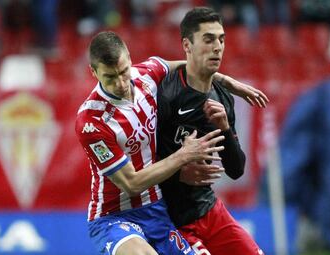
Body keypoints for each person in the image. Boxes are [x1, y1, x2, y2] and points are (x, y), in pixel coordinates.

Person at [75, 31, 264, 255]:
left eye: (124, 71)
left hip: (157, 211)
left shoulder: (146, 74)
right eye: (110, 77)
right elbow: (132, 183)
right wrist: (184, 155)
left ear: (130, 58)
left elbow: (187, 66)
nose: (120, 83)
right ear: (94, 72)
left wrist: (225, 80)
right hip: (114, 216)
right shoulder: (91, 121)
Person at [157, 7, 267, 255]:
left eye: (221, 39)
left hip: (208, 208)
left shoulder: (223, 98)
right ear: (187, 45)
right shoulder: (166, 94)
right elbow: (138, 163)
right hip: (170, 218)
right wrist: (178, 171)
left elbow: (236, 170)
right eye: (208, 39)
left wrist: (225, 129)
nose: (217, 47)